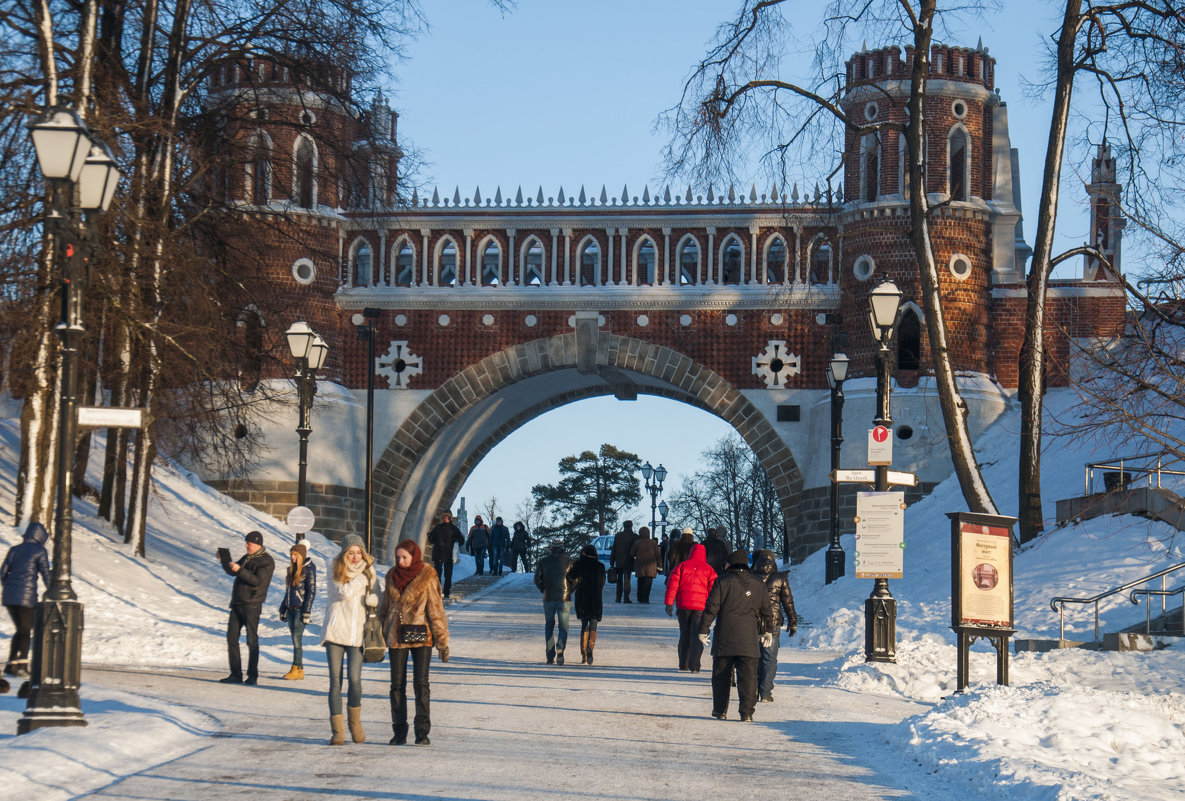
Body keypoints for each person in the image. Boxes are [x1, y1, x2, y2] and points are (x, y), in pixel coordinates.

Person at [380, 539, 449, 746]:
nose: (401, 561)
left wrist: (442, 641)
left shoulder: (427, 576)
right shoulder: (391, 575)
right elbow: (384, 607)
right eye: (398, 557)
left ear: (414, 556)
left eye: (405, 557)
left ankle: (422, 732)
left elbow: (436, 609)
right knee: (396, 685)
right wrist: (380, 631)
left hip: (422, 636)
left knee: (421, 684)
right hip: (396, 635)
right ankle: (399, 732)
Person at [699, 549, 774, 722]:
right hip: (749, 637)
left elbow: (712, 608)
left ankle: (720, 711)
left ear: (730, 564)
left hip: (725, 636)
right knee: (748, 678)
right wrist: (768, 630)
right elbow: (766, 610)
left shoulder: (722, 581)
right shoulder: (758, 583)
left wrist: (704, 629)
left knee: (721, 676)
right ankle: (746, 713)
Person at [322, 534, 379, 745]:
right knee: (335, 681)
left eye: (358, 552)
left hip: (358, 634)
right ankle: (337, 731)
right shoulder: (336, 569)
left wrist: (375, 600)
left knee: (355, 680)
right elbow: (344, 592)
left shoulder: (371, 572)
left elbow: (378, 599)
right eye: (351, 552)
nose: (355, 557)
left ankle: (355, 723)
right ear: (344, 553)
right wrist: (363, 578)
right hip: (336, 632)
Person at [218, 530, 275, 685]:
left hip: (252, 604)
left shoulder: (266, 561)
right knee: (231, 638)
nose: (246, 545)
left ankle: (252, 676)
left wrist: (240, 570)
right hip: (237, 602)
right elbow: (233, 571)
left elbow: (257, 580)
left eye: (248, 543)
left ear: (257, 544)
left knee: (252, 640)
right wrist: (225, 560)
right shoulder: (247, 557)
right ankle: (235, 674)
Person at [1, 521, 50, 679]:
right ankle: (22, 665)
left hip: (9, 597)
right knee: (25, 631)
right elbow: (45, 573)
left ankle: (11, 665)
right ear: (41, 537)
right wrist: (52, 589)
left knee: (20, 630)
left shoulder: (14, 550)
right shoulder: (39, 551)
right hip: (26, 598)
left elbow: (2, 573)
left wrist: (10, 587)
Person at [753, 549, 798, 703]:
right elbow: (788, 602)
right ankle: (765, 693)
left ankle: (753, 689)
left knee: (753, 657)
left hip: (753, 622)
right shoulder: (780, 578)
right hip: (773, 623)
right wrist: (793, 622)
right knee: (769, 658)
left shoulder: (751, 577)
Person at [664, 542, 716, 672]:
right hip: (700, 608)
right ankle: (695, 665)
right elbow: (714, 590)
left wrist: (669, 603)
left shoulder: (682, 566)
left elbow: (672, 586)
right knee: (697, 635)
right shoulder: (708, 569)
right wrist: (714, 608)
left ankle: (683, 664)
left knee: (684, 635)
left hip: (683, 607)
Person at [278, 541, 317, 681]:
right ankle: (299, 670)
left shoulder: (309, 570)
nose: (292, 557)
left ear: (301, 556)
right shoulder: (291, 570)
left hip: (300, 610)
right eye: (291, 555)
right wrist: (283, 608)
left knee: (296, 639)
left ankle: (296, 668)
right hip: (291, 609)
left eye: (295, 555)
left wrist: (307, 612)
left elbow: (311, 592)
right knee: (295, 639)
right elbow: (288, 592)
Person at [533, 542, 572, 664]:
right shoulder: (569, 561)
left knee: (549, 626)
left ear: (551, 549)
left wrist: (543, 589)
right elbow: (575, 578)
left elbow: (537, 579)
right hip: (564, 598)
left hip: (548, 597)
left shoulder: (543, 561)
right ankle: (560, 648)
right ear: (562, 549)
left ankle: (550, 654)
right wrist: (570, 590)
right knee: (563, 627)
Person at [567, 543, 606, 664]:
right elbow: (602, 582)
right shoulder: (600, 566)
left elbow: (570, 578)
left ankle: (583, 654)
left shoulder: (578, 564)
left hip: (582, 597)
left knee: (584, 624)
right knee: (593, 625)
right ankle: (590, 649)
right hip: (595, 597)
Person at [427, 512, 464, 597]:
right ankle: (438, 591)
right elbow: (432, 540)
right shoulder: (438, 528)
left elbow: (461, 541)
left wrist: (456, 541)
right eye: (443, 518)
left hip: (448, 554)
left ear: (449, 518)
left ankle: (446, 592)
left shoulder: (454, 529)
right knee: (437, 574)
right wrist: (429, 536)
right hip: (438, 553)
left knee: (448, 574)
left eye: (446, 517)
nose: (444, 519)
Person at [630, 526, 661, 603]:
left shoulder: (637, 542)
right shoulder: (653, 542)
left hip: (640, 567)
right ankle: (646, 599)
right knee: (648, 584)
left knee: (640, 583)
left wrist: (636, 556)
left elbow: (631, 553)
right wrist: (660, 566)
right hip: (651, 567)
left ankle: (640, 598)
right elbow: (658, 555)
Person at [610, 521, 638, 603]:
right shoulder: (635, 536)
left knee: (619, 580)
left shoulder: (618, 535)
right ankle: (626, 597)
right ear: (631, 526)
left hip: (619, 561)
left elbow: (614, 549)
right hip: (629, 561)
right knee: (627, 580)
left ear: (624, 526)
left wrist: (612, 561)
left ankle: (618, 597)